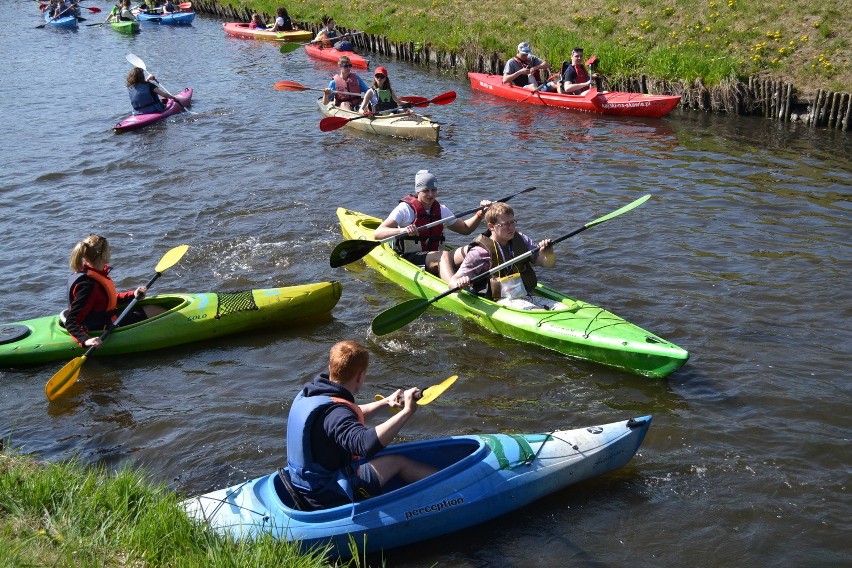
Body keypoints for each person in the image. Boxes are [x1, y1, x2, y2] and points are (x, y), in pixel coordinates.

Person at [284, 340, 438, 510]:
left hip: (306, 486)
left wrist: (386, 402)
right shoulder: (336, 414)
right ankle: (452, 487)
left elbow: (349, 415)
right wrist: (407, 411)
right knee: (398, 463)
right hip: (329, 494)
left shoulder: (313, 394)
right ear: (360, 376)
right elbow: (365, 444)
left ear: (331, 368)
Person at [441, 202, 565, 311]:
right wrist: (460, 282)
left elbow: (547, 264)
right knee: (540, 312)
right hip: (500, 301)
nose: (511, 228)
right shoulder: (479, 253)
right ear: (491, 227)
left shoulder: (522, 239)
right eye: (505, 224)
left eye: (512, 222)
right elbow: (452, 283)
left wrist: (548, 254)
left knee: (562, 308)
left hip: (524, 295)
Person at [373, 170, 490, 278]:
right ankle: (453, 287)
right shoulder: (405, 209)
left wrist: (480, 214)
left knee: (470, 250)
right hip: (410, 258)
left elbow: (465, 229)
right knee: (442, 255)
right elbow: (378, 233)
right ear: (418, 191)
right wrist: (402, 230)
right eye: (426, 190)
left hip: (434, 255)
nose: (430, 195)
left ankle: (480, 284)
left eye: (433, 190)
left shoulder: (441, 210)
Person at [62, 235, 163, 348]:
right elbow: (71, 321)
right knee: (155, 310)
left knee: (152, 309)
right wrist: (86, 340)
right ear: (103, 255)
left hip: (105, 318)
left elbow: (103, 300)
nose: (111, 251)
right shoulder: (87, 284)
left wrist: (133, 294)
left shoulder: (93, 273)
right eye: (109, 249)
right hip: (101, 328)